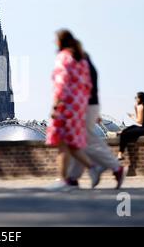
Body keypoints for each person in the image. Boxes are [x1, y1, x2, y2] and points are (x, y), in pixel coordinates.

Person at [46, 29, 103, 190]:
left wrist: (56, 105)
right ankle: (90, 169)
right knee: (71, 143)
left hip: (66, 105)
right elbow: (88, 85)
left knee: (63, 142)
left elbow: (61, 84)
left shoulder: (63, 58)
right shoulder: (82, 60)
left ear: (60, 42)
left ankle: (66, 180)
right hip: (79, 105)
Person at [66, 48, 126, 189]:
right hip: (90, 106)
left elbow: (83, 90)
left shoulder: (83, 70)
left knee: (83, 141)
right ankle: (74, 177)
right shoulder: (89, 68)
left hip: (85, 107)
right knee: (79, 142)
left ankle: (113, 167)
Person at [117, 92, 144, 160]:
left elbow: (139, 121)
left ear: (140, 99)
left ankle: (120, 153)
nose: (135, 99)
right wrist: (136, 109)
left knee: (125, 134)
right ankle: (121, 132)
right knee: (132, 127)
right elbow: (143, 119)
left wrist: (132, 117)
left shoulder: (140, 106)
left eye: (136, 98)